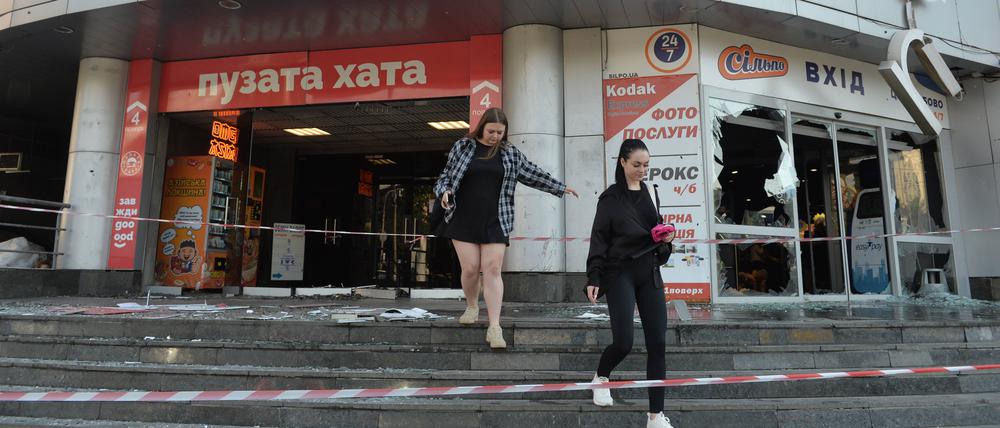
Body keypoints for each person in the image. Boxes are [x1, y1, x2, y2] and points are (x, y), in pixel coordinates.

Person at [434, 107, 578, 349]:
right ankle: (471, 306)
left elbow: (532, 173)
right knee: (470, 269)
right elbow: (445, 176)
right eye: (491, 131)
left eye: (500, 132)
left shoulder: (510, 153)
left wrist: (559, 187)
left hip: (497, 218)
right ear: (482, 127)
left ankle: (494, 327)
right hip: (463, 216)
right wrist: (444, 192)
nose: (495, 136)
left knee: (492, 268)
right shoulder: (463, 147)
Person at [585, 139, 675, 428]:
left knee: (658, 344)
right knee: (623, 342)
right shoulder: (610, 199)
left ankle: (655, 416)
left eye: (646, 165)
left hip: (649, 271)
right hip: (620, 272)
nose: (642, 170)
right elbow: (599, 239)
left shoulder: (652, 193)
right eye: (637, 164)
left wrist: (666, 240)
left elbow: (656, 235)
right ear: (622, 162)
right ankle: (601, 377)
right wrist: (594, 276)